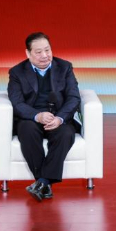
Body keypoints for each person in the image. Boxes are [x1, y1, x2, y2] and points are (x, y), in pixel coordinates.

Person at [7, 32, 81, 201]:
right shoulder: (17, 72)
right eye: (38, 52)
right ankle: (44, 183)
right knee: (27, 131)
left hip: (58, 117)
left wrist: (59, 118)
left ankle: (42, 182)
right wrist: (37, 115)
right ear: (28, 53)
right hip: (31, 118)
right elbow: (17, 103)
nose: (45, 55)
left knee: (65, 133)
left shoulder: (65, 67)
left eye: (47, 50)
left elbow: (73, 98)